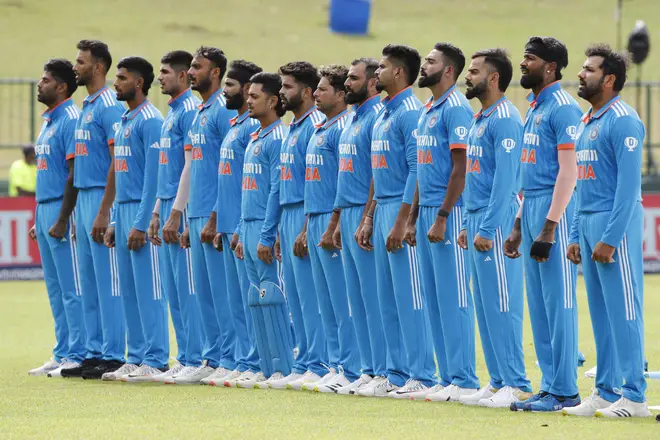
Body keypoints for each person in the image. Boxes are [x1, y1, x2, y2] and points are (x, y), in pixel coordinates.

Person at [564, 44, 650, 418]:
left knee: (625, 311)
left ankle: (635, 397)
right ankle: (605, 391)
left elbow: (629, 189)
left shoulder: (624, 120)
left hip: (617, 226)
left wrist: (610, 238)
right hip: (588, 223)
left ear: (609, 79)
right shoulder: (587, 121)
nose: (581, 74)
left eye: (589, 70)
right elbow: (583, 186)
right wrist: (574, 234)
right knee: (601, 314)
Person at [504, 37, 582, 412]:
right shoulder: (535, 108)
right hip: (533, 206)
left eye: (529, 59)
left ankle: (566, 390)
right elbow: (527, 174)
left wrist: (550, 227)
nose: (522, 64)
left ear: (549, 67)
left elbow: (569, 173)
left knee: (560, 303)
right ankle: (549, 386)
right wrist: (520, 223)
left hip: (556, 210)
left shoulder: (564, 108)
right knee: (539, 306)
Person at [356, 44, 436, 398]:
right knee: (385, 298)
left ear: (399, 73)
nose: (377, 74)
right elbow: (377, 170)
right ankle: (396, 372)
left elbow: (418, 169)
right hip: (383, 207)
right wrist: (369, 216)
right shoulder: (383, 114)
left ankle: (422, 373)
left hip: (401, 208)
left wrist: (404, 220)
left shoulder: (409, 112)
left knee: (410, 297)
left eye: (383, 68)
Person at [405, 42, 480, 402]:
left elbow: (460, 169)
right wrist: (414, 217)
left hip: (448, 214)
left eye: (430, 62)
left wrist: (442, 217)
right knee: (434, 298)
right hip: (428, 214)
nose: (424, 66)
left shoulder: (456, 109)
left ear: (448, 70)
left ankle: (464, 379)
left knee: (455, 298)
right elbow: (421, 169)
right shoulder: (426, 109)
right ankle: (446, 376)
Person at [458, 48, 533, 408]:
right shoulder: (479, 117)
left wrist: (487, 228)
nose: (467, 76)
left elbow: (505, 182)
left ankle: (516, 382)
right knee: (485, 304)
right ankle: (497, 379)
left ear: (493, 78)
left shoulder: (506, 117)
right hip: (477, 217)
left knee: (503, 303)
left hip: (497, 219)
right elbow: (477, 177)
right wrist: (466, 223)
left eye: (474, 71)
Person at [61, 40, 125, 379]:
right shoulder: (86, 106)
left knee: (108, 280)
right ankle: (93, 350)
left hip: (102, 196)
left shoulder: (109, 106)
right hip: (85, 198)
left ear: (98, 67)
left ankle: (114, 353)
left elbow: (118, 160)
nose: (76, 66)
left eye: (81, 61)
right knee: (88, 281)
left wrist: (104, 212)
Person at [102, 56, 168, 382]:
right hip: (124, 208)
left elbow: (153, 179)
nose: (116, 83)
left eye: (122, 77)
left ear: (139, 83)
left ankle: (156, 358)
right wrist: (115, 220)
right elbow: (123, 179)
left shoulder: (151, 120)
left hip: (141, 213)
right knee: (127, 290)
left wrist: (141, 223)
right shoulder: (124, 120)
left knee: (149, 289)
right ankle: (137, 355)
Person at [300, 64, 361, 393]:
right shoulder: (320, 128)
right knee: (326, 300)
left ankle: (351, 367)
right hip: (315, 217)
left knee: (342, 299)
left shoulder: (342, 128)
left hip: (333, 218)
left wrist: (333, 223)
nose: (317, 94)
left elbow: (343, 181)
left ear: (340, 95)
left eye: (324, 89)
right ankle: (336, 363)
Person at [179, 46, 237, 385]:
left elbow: (228, 168)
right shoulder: (199, 112)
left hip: (217, 214)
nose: (191, 72)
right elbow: (193, 168)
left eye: (197, 67)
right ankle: (213, 358)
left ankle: (229, 358)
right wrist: (186, 215)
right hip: (197, 212)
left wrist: (216, 214)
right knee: (204, 293)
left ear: (215, 72)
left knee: (222, 292)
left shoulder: (221, 111)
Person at [146, 50, 204, 384]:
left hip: (182, 208)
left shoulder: (190, 112)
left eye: (165, 72)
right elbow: (166, 169)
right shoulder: (172, 115)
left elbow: (189, 168)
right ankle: (184, 356)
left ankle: (196, 356)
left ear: (182, 76)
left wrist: (174, 212)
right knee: (175, 289)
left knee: (188, 287)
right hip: (167, 205)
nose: (160, 78)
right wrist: (157, 210)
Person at [233, 72, 292, 388]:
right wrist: (242, 229)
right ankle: (262, 364)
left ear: (272, 100)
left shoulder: (278, 138)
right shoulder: (254, 138)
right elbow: (247, 190)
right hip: (250, 225)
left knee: (273, 295)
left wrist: (269, 233)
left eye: (255, 96)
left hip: (267, 227)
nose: (249, 101)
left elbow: (276, 190)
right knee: (255, 297)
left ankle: (284, 366)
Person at [27, 59, 85, 377]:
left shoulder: (71, 120)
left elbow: (74, 173)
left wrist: (62, 217)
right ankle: (62, 350)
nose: (40, 83)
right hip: (45, 207)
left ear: (62, 86)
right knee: (54, 287)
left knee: (71, 287)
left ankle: (77, 352)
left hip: (65, 211)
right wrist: (41, 215)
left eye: (46, 79)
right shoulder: (48, 120)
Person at [331, 57, 385, 395]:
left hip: (368, 214)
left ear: (371, 82)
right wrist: (338, 219)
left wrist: (367, 216)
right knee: (357, 299)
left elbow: (376, 175)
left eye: (352, 79)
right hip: (348, 213)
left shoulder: (376, 116)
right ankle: (366, 369)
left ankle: (382, 369)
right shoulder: (353, 119)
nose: (346, 84)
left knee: (374, 296)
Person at [273, 62, 328, 391]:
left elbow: (317, 183)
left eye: (289, 86)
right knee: (295, 296)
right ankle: (306, 360)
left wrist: (307, 227)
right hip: (288, 215)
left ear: (307, 92)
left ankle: (319, 362)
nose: (282, 92)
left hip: (308, 214)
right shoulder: (293, 127)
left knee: (311, 296)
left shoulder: (314, 127)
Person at [209, 60, 263, 386]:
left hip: (242, 226)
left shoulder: (249, 130)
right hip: (228, 225)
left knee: (250, 298)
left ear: (245, 89)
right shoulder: (234, 125)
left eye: (229, 86)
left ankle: (254, 361)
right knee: (233, 301)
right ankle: (240, 359)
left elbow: (250, 184)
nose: (224, 91)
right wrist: (219, 220)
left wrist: (240, 226)